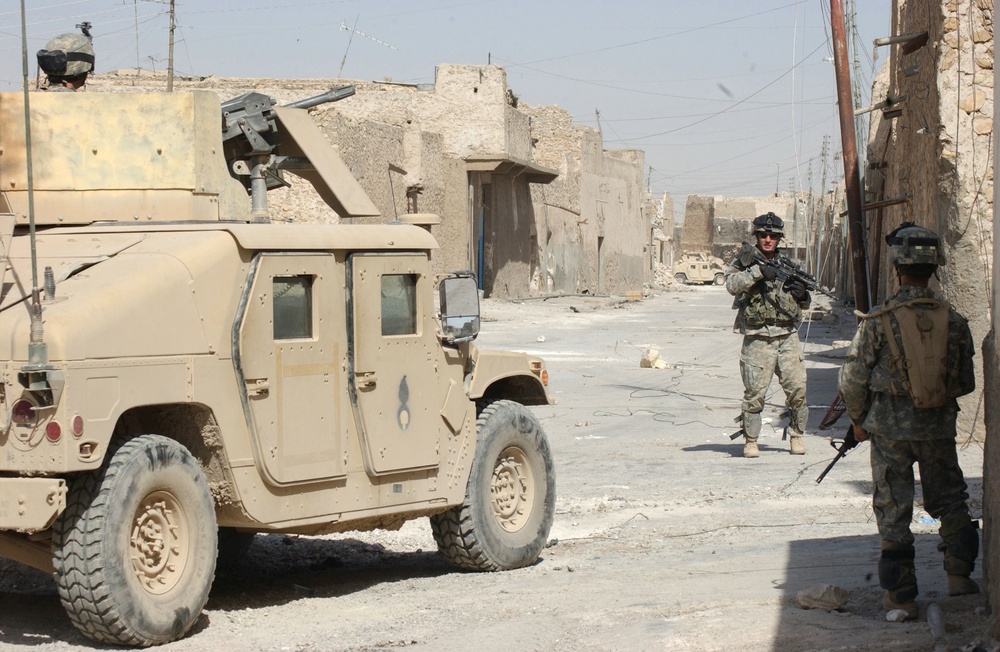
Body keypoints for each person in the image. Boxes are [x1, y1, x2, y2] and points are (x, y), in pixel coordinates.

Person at [837, 223, 979, 621]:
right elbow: (965, 384)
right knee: (950, 499)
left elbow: (851, 380)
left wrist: (859, 420)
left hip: (889, 433)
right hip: (938, 429)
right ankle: (959, 578)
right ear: (935, 267)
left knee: (894, 507)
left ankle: (901, 596)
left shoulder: (879, 321)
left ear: (898, 267)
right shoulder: (956, 322)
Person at [725, 212, 811, 458]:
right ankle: (751, 441)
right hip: (758, 336)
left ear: (779, 238)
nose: (768, 240)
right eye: (763, 235)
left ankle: (796, 436)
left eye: (773, 236)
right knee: (754, 393)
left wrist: (803, 294)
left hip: (786, 335)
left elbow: (804, 303)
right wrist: (758, 272)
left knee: (797, 389)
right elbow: (731, 285)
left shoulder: (789, 266)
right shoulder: (745, 261)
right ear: (757, 236)